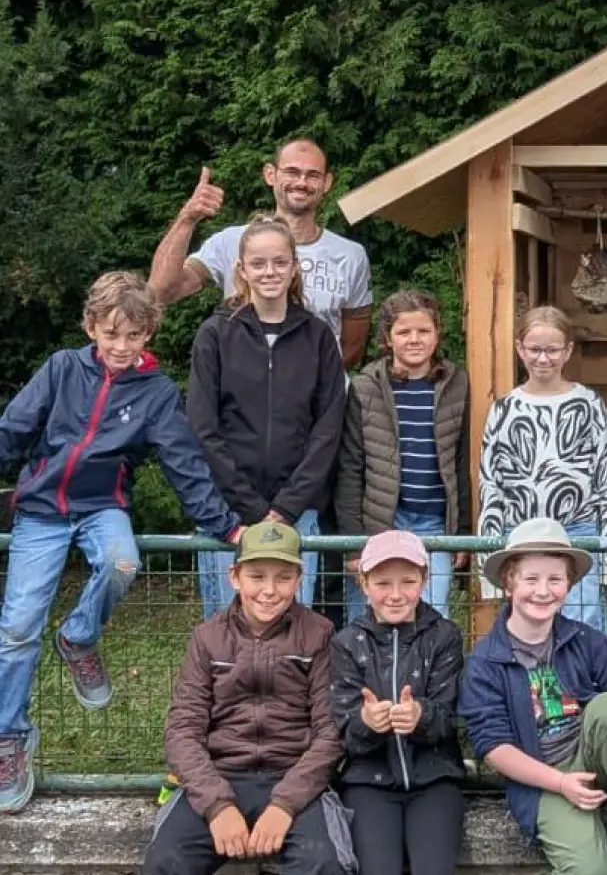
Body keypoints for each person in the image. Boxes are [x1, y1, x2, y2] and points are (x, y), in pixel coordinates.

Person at [0, 271, 246, 814]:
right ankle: (9, 737)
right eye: (111, 334)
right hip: (41, 511)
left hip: (102, 507)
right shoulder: (63, 369)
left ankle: (79, 637)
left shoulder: (156, 393)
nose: (120, 347)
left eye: (133, 336)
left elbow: (184, 464)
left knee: (122, 561)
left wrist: (227, 525)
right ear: (91, 327)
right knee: (17, 627)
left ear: (147, 336)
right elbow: (13, 428)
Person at [459, 518, 607, 875]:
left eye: (554, 579)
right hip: (543, 778)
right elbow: (493, 747)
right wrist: (560, 783)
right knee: (588, 869)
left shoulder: (583, 639)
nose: (543, 591)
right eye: (531, 579)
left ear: (569, 584)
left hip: (591, 754)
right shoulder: (485, 661)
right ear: (508, 582)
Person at [141, 522, 350, 875]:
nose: (269, 590)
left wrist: (284, 805)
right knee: (164, 863)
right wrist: (217, 805)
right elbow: (182, 731)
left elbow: (332, 733)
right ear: (234, 577)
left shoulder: (320, 634)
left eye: (283, 578)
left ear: (299, 579)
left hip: (295, 776)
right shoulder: (207, 639)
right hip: (221, 774)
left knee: (325, 863)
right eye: (257, 576)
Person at [187, 216, 346, 620]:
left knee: (290, 628)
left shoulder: (318, 336)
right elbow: (204, 427)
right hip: (230, 514)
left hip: (298, 514)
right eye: (258, 263)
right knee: (226, 631)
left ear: (294, 266)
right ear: (242, 270)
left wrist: (288, 507)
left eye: (279, 262)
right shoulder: (215, 335)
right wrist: (252, 507)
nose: (269, 272)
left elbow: (327, 428)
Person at [149, 138, 372, 367]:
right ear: (270, 174)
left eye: (312, 175)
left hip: (320, 398)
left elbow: (352, 347)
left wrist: (312, 386)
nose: (302, 182)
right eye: (292, 172)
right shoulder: (231, 242)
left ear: (327, 182)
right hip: (246, 395)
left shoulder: (351, 256)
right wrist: (187, 219)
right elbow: (162, 290)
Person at [330, 530, 466, 875]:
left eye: (408, 582)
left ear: (424, 579)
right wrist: (367, 722)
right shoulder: (346, 642)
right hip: (368, 781)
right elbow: (343, 726)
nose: (395, 595)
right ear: (364, 583)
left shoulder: (444, 636)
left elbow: (450, 716)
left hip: (435, 778)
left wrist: (420, 715)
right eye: (382, 583)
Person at [478, 306, 607, 633]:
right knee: (528, 623)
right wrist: (488, 559)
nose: (543, 359)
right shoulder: (504, 409)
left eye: (553, 350)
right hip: (520, 535)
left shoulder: (589, 404)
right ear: (520, 349)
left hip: (578, 533)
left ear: (568, 350)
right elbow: (491, 485)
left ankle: (585, 685)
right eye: (535, 349)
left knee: (583, 622)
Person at [336, 290, 470, 621]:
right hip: (381, 523)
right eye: (403, 332)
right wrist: (354, 543)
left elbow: (462, 461)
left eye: (424, 331)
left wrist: (464, 533)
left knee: (431, 616)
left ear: (437, 334)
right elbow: (350, 466)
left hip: (435, 523)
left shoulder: (457, 384)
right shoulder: (365, 387)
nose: (414, 340)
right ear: (387, 337)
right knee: (371, 619)